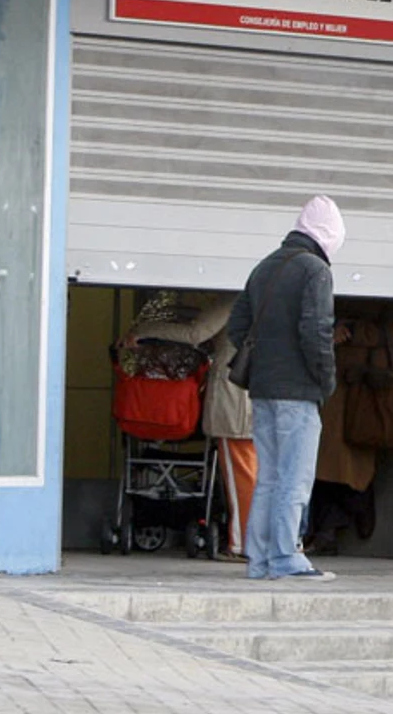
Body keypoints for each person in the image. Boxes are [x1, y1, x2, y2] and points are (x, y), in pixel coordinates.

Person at [227, 195, 344, 582]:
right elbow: (317, 331)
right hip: (298, 390)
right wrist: (325, 380)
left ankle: (259, 561)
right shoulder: (315, 270)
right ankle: (286, 557)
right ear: (329, 235)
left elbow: (237, 326)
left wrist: (267, 363)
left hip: (262, 389)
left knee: (269, 477)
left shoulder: (264, 267)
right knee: (296, 477)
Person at [120, 292, 253, 560]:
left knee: (242, 477)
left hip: (236, 402)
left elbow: (196, 334)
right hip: (266, 400)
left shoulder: (237, 298)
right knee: (265, 476)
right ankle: (273, 542)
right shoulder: (280, 298)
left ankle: (244, 545)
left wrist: (142, 331)